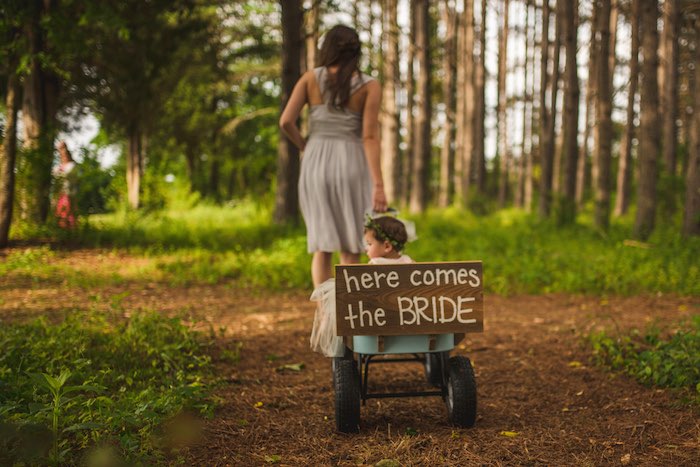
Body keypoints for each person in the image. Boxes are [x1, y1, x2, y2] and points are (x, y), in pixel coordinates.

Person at [279, 24, 387, 288]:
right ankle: (349, 321)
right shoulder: (370, 85)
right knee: (352, 246)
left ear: (327, 48)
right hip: (351, 160)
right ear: (355, 52)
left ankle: (326, 319)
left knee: (322, 246)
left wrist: (306, 146)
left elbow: (286, 122)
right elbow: (370, 137)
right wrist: (379, 185)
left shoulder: (309, 78)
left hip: (316, 160)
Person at [309, 215, 413, 357]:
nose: (366, 249)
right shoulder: (409, 262)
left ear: (387, 246)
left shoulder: (373, 267)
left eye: (370, 244)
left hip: (377, 319)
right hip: (408, 318)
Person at [53, 141, 77, 229]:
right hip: (60, 193)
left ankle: (71, 230)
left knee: (69, 212)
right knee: (61, 212)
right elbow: (55, 174)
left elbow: (65, 174)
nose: (62, 156)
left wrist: (60, 172)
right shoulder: (59, 166)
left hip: (69, 192)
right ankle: (63, 230)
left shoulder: (72, 165)